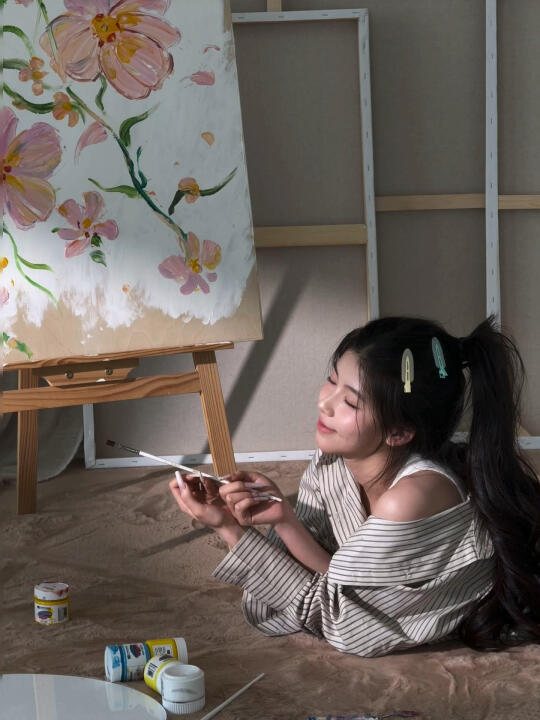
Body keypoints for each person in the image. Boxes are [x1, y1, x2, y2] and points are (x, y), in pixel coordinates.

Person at [169, 315, 540, 657]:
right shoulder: (332, 462)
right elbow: (338, 577)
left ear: (399, 432)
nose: (325, 404)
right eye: (332, 380)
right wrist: (283, 518)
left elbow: (343, 623)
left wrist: (229, 529)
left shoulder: (411, 498)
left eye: (350, 401)